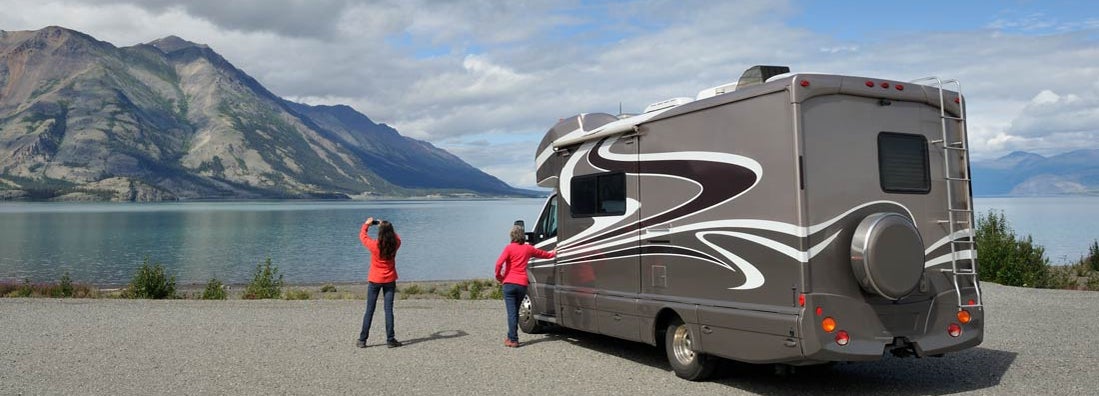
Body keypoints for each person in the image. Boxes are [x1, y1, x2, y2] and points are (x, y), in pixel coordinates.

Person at [495, 225, 555, 348]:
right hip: (522, 284)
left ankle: (513, 339)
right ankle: (510, 336)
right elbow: (544, 255)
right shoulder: (528, 248)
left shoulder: (509, 248)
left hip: (509, 284)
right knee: (515, 312)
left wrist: (500, 277)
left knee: (512, 313)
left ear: (512, 236)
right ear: (523, 236)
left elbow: (498, 264)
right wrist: (554, 252)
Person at [357, 217, 402, 348]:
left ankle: (362, 340)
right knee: (388, 310)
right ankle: (390, 339)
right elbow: (397, 237)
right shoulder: (395, 244)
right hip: (389, 280)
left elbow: (363, 236)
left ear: (380, 233)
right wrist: (386, 227)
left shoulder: (374, 245)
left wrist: (366, 225)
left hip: (375, 279)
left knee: (369, 310)